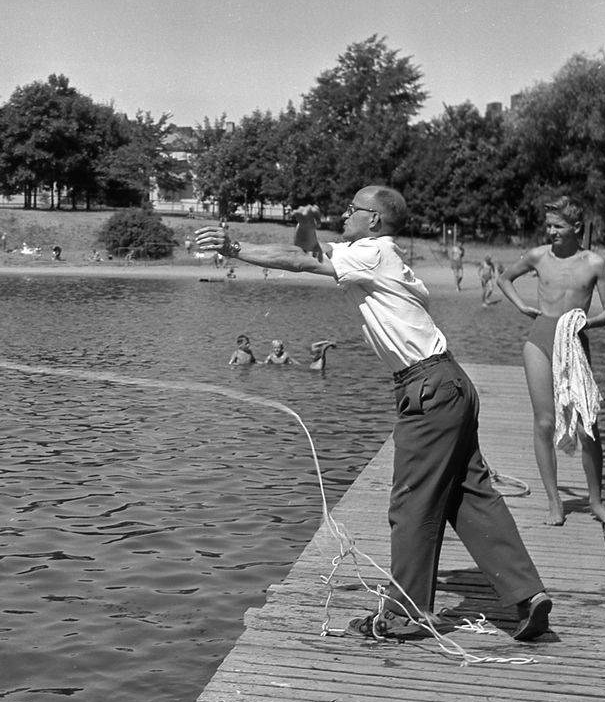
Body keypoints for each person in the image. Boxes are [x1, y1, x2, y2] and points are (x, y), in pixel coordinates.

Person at [196, 185, 552, 642]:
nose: (345, 214)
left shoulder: (373, 252)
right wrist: (298, 226)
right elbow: (309, 249)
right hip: (449, 383)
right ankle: (528, 593)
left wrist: (237, 247)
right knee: (469, 494)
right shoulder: (375, 253)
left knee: (412, 503)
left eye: (353, 210)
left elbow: (305, 259)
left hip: (427, 388)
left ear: (375, 221)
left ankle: (406, 615)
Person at [495, 195, 605, 527]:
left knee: (588, 424)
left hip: (575, 343)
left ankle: (596, 502)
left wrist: (586, 323)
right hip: (539, 341)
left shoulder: (594, 263)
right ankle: (554, 502)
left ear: (577, 228)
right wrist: (522, 306)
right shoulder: (538, 256)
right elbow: (504, 278)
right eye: (548, 225)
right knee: (545, 423)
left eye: (558, 226)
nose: (551, 231)